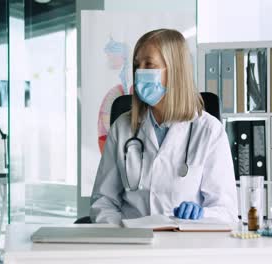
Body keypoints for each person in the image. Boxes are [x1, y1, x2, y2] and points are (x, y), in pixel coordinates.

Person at [90, 29, 238, 225]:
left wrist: (201, 215)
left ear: (175, 70)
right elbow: (103, 201)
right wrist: (120, 232)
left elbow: (226, 211)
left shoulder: (209, 131)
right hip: (131, 244)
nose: (139, 72)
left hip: (185, 246)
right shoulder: (123, 127)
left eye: (149, 64)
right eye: (136, 65)